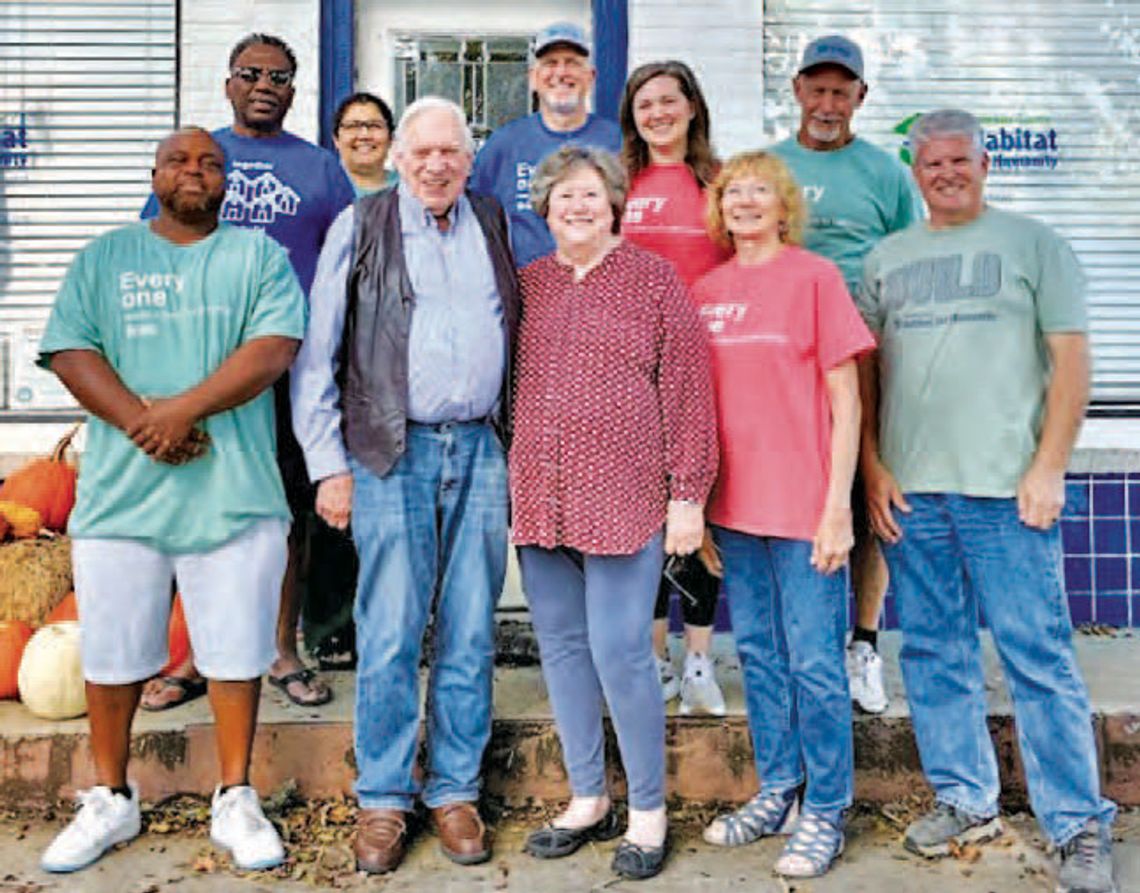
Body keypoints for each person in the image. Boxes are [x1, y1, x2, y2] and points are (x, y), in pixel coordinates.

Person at [858, 109, 1117, 893]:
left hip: (1008, 492)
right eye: (931, 162)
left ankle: (1077, 823)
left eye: (959, 159)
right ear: (916, 171)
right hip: (913, 493)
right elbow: (867, 377)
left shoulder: (1036, 245)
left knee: (1037, 656)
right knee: (934, 653)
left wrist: (1049, 467)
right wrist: (871, 467)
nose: (945, 172)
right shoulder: (887, 257)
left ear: (984, 161)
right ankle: (966, 799)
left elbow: (1071, 363)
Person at [37, 127, 305, 874]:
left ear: (228, 183)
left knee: (236, 650)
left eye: (211, 163)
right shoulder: (105, 256)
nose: (196, 171)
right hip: (122, 497)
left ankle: (235, 795)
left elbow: (273, 349)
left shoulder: (259, 257)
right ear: (153, 174)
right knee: (114, 653)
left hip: (235, 491)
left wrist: (180, 411)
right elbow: (70, 349)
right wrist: (141, 421)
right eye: (180, 161)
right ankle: (112, 797)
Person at [291, 96, 518, 875]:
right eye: (421, 151)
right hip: (390, 450)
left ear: (469, 157)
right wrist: (329, 464)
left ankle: (454, 789)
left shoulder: (492, 221)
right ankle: (384, 797)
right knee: (388, 629)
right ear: (396, 157)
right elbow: (317, 354)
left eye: (450, 151)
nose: (436, 164)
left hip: (482, 450)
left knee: (470, 628)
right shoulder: (361, 226)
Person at [512, 145, 717, 881]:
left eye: (590, 196)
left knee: (622, 651)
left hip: (627, 496)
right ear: (545, 208)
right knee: (562, 649)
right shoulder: (528, 285)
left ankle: (649, 810)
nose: (577, 207)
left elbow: (689, 389)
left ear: (614, 204)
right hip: (541, 495)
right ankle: (589, 795)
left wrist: (687, 494)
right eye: (563, 196)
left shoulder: (654, 280)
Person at [141, 33, 356, 708]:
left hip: (289, 368)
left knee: (286, 513)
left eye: (280, 76)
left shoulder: (321, 170)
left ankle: (279, 648)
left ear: (295, 91)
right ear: (228, 83)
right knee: (194, 507)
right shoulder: (198, 156)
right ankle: (194, 654)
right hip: (200, 367)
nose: (266, 84)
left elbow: (349, 268)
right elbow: (153, 250)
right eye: (251, 73)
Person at [695, 151, 872, 878]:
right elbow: (697, 406)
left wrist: (838, 507)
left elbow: (847, 400)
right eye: (733, 191)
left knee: (816, 662)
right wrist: (702, 506)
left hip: (804, 507)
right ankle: (779, 787)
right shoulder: (705, 290)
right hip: (735, 510)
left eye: (759, 190)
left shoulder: (814, 278)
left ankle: (827, 806)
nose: (744, 201)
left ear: (783, 204)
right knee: (761, 657)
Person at [770, 34, 922, 714]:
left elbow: (907, 266)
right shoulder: (768, 165)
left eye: (842, 90)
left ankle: (862, 643)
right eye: (818, 88)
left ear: (860, 97)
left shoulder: (886, 173)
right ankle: (802, 645)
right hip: (783, 361)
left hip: (865, 355)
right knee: (796, 498)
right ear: (797, 90)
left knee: (869, 496)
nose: (828, 102)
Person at [618, 59, 730, 716]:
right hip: (634, 376)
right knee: (645, 520)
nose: (657, 113)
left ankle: (698, 661)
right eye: (644, 104)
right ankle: (656, 657)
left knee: (699, 518)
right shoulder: (617, 183)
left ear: (692, 106)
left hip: (709, 371)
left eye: (669, 100)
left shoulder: (718, 181)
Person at [470, 21, 621, 267]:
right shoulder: (503, 146)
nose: (561, 73)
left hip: (604, 291)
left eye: (572, 62)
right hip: (526, 294)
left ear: (590, 77)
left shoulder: (618, 142)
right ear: (533, 78)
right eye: (550, 63)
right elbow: (473, 222)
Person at [333, 91, 398, 195]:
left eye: (374, 125)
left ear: (391, 138)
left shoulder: (411, 188)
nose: (364, 135)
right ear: (336, 139)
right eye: (352, 126)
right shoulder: (323, 190)